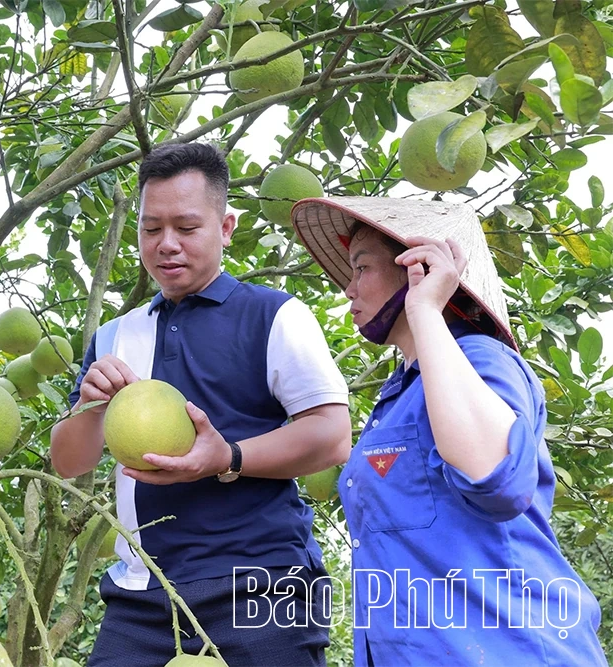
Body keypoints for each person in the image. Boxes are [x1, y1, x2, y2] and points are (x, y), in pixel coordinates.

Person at [50, 143, 352, 666]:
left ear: (226, 227)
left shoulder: (275, 315)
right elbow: (69, 461)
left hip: (264, 584)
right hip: (144, 590)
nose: (167, 245)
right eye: (151, 229)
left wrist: (226, 458)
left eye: (186, 228)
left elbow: (332, 435)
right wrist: (92, 407)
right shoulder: (115, 336)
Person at [290, 196, 607, 665]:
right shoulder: (397, 396)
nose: (348, 289)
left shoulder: (483, 361)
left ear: (417, 266)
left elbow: (496, 479)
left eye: (362, 268)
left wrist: (424, 310)